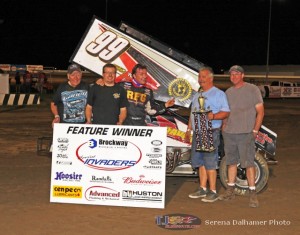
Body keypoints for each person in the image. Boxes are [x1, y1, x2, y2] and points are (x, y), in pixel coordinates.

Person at [219, 65, 264, 208]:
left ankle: (252, 194)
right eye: (231, 74)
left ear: (242, 75)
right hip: (230, 133)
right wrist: (224, 125)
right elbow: (226, 111)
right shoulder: (228, 92)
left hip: (245, 133)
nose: (234, 76)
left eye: (237, 74)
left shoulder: (252, 89)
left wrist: (255, 131)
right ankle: (230, 190)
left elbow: (260, 112)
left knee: (248, 163)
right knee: (231, 162)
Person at [185, 66, 230, 203]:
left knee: (210, 162)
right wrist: (189, 129)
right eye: (199, 77)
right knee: (200, 162)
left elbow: (226, 112)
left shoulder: (218, 94)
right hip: (198, 132)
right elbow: (192, 113)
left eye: (203, 77)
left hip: (210, 131)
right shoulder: (197, 95)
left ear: (211, 78)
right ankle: (202, 188)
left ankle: (213, 191)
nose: (200, 79)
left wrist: (213, 116)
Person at [96, 64, 175, 126]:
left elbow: (151, 110)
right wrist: (100, 80)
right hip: (123, 125)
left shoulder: (148, 91)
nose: (144, 76)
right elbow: (108, 85)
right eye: (141, 74)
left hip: (140, 126)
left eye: (145, 74)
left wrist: (165, 105)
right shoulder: (122, 85)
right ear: (134, 75)